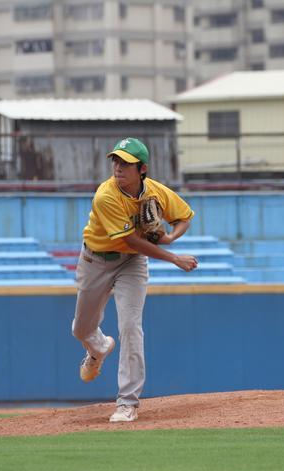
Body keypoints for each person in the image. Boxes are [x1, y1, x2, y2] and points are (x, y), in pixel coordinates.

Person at [71, 137, 198, 422]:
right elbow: (130, 239)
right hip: (95, 260)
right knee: (81, 329)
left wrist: (170, 237)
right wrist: (174, 257)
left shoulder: (156, 192)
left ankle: (127, 402)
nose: (118, 167)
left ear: (142, 169)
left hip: (132, 264)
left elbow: (185, 217)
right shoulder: (105, 196)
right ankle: (98, 347)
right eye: (115, 161)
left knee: (130, 326)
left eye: (126, 163)